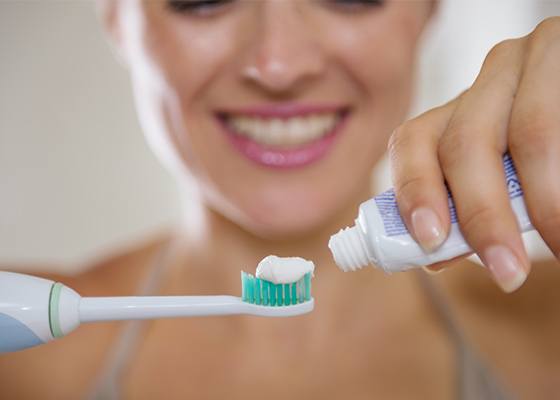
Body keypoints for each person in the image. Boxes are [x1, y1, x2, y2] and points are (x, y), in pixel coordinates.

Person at [1, 1, 559, 398]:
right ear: (116, 19)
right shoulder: (23, 370)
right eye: (204, 2)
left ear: (429, 10)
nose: (279, 66)